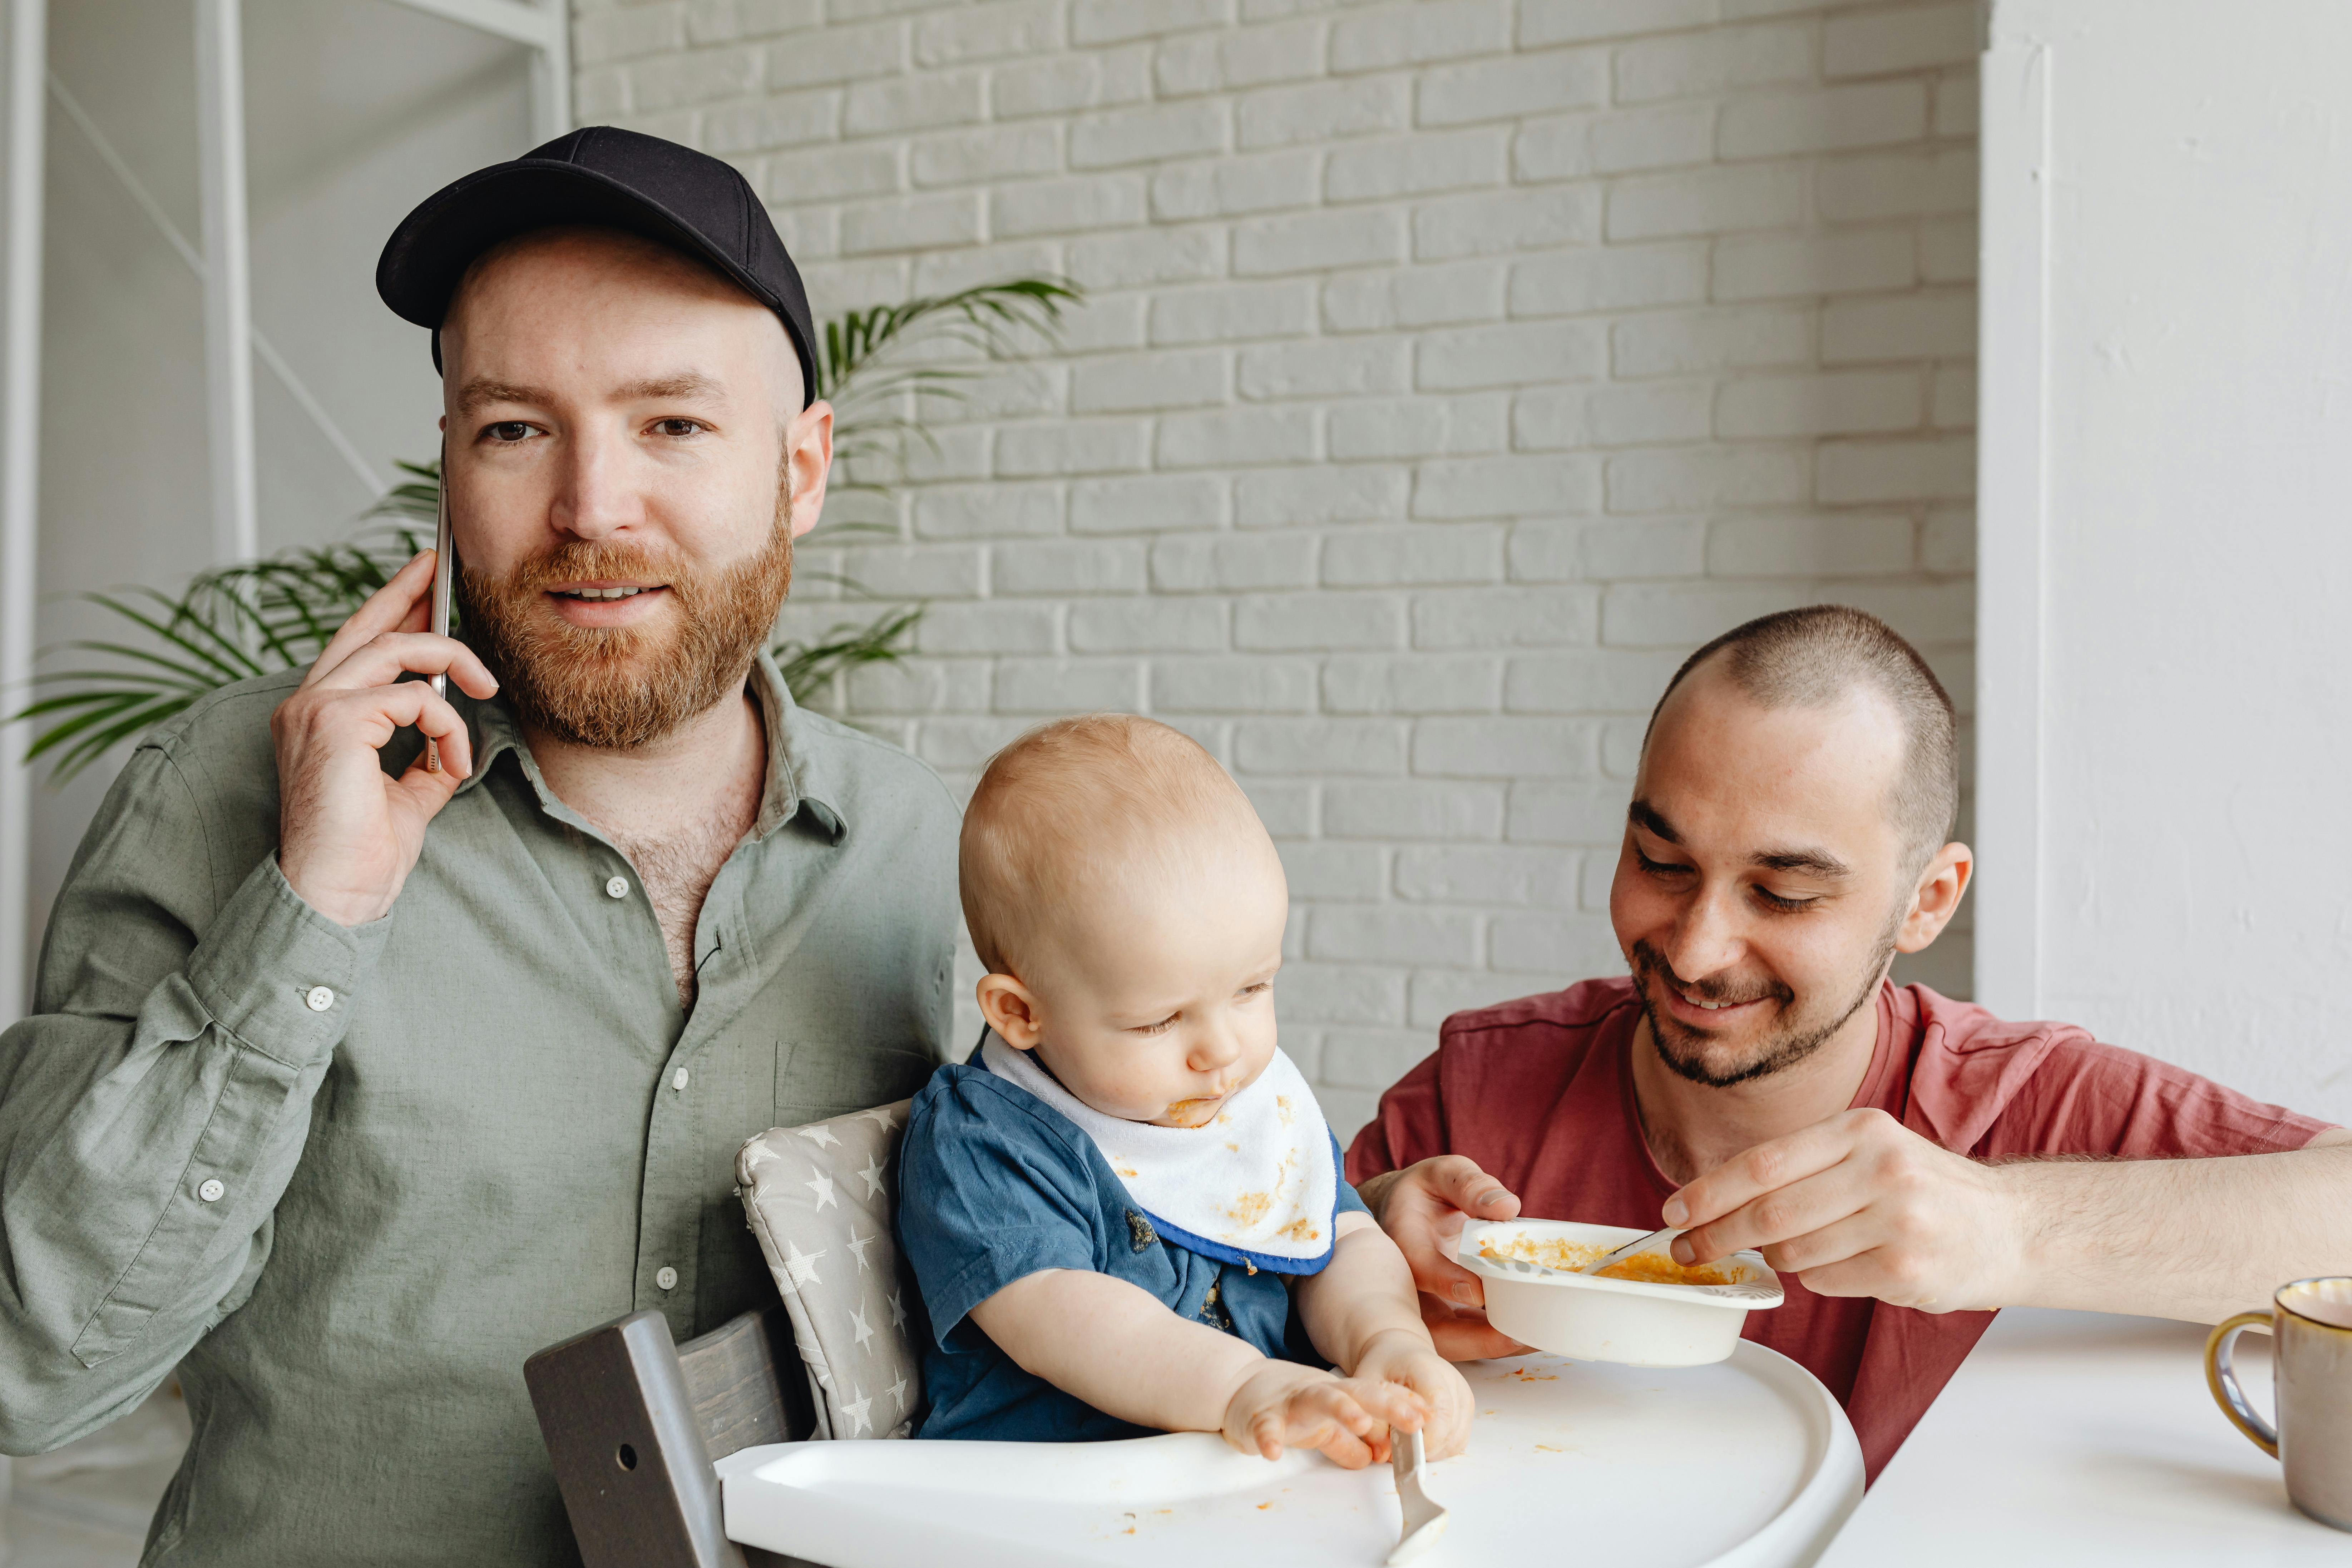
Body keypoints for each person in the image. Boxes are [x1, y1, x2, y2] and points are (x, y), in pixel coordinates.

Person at [0, 129, 959, 1564]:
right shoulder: (223, 791)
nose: (591, 507)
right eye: (515, 426)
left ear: (801, 467)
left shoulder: (936, 855)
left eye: (673, 425)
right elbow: (36, 1366)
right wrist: (314, 909)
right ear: (449, 458)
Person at [1349, 605, 2352, 1482]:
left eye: (1782, 893)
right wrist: (1356, 1255)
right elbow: (1221, 1319)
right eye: (1660, 861)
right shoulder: (1475, 1093)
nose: (1694, 949)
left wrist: (2007, 1228)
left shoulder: (2025, 1104)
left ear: (1927, 900)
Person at [896, 716, 1472, 1465]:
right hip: (1053, 1497)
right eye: (1158, 1020)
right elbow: (1067, 1315)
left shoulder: (1246, 1101)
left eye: (1250, 987)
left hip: (1253, 1467)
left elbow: (1338, 1240)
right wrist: (1241, 1388)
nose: (1222, 1049)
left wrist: (1385, 1337)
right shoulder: (982, 1141)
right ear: (1020, 1013)